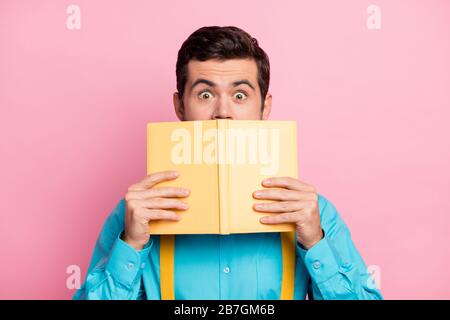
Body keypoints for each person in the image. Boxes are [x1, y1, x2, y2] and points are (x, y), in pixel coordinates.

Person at [73, 26, 383, 300]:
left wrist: (315, 243)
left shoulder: (313, 212)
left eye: (240, 95)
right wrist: (131, 244)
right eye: (205, 94)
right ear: (180, 106)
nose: (223, 112)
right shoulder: (135, 212)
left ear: (265, 107)